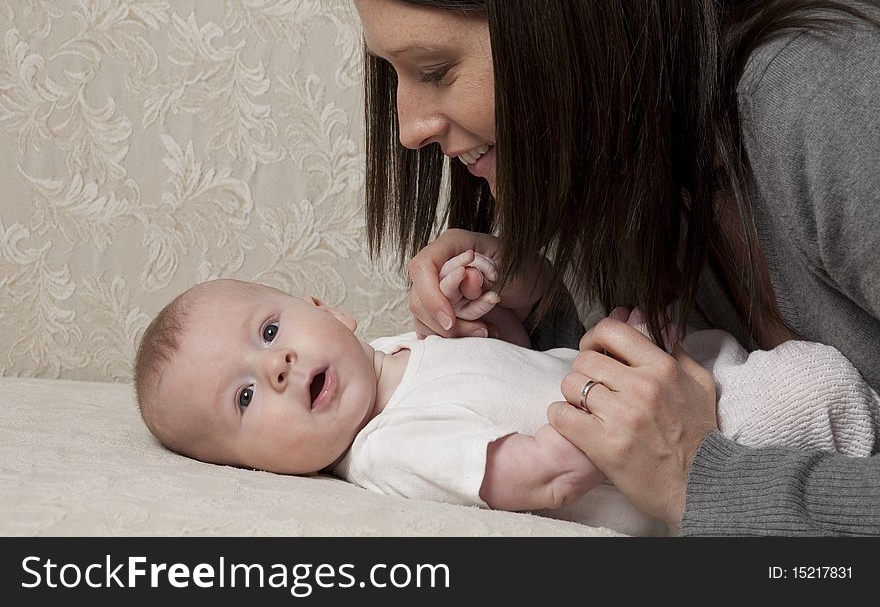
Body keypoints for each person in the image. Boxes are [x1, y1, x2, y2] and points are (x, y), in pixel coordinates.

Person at [328, 0, 880, 535]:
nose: (408, 128)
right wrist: (541, 320)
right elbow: (721, 397)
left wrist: (700, 480)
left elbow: (701, 453)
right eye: (393, 73)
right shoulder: (629, 162)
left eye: (435, 70)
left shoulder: (829, 99)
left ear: (563, 13)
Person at [133, 268, 880, 537]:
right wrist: (619, 363)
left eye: (269, 330)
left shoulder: (403, 347)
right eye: (243, 397)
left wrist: (496, 316)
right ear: (254, 468)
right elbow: (536, 475)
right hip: (713, 447)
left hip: (698, 385)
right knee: (807, 386)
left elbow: (510, 373)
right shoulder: (389, 448)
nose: (279, 367)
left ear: (327, 307)